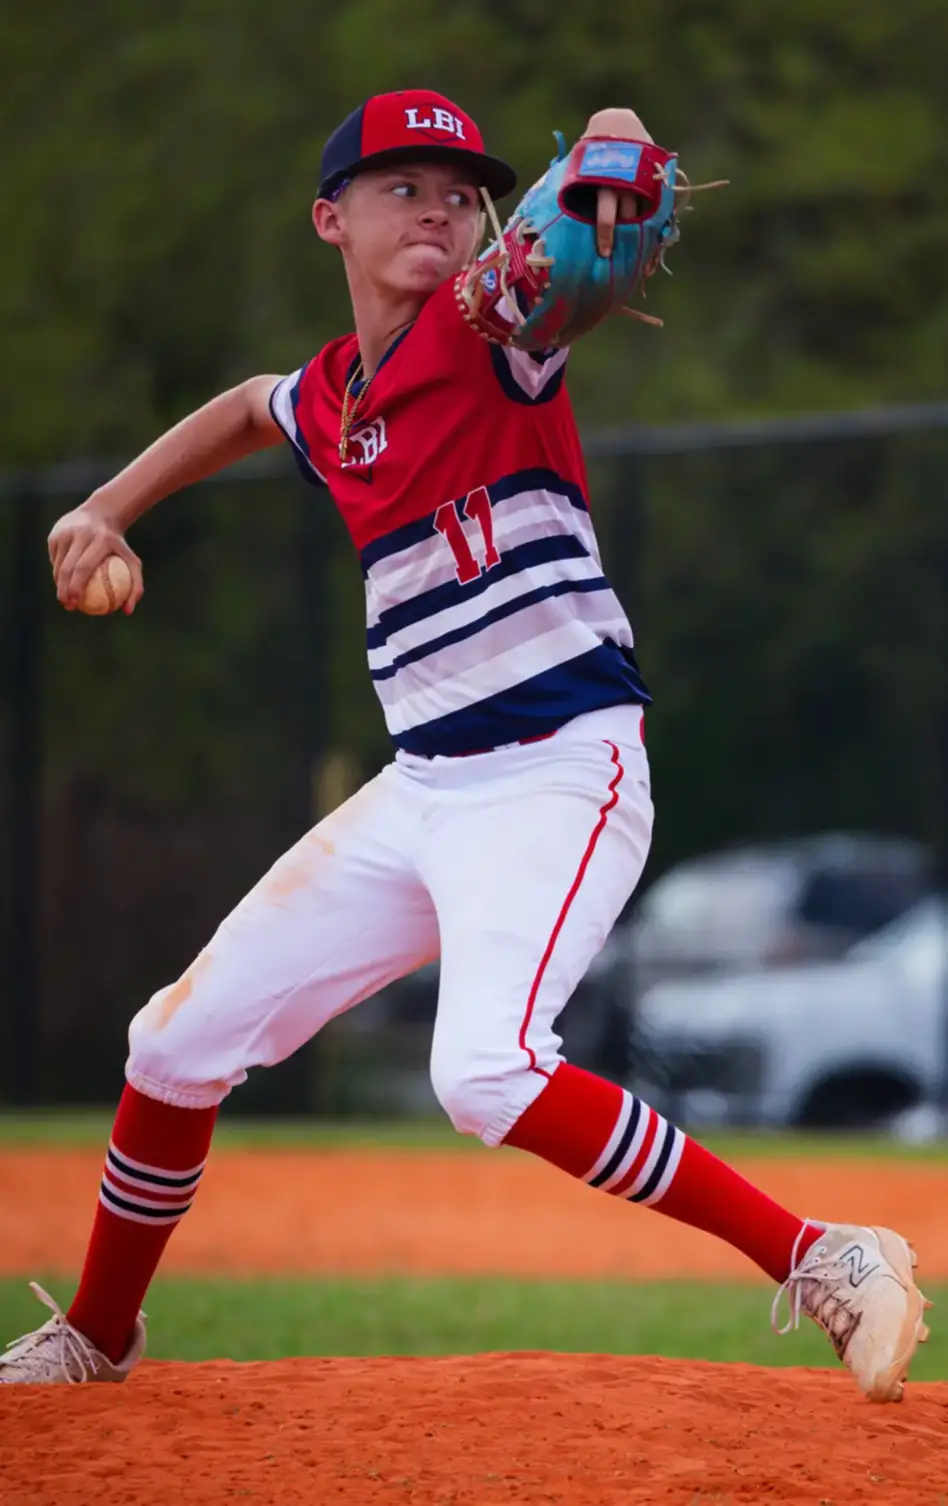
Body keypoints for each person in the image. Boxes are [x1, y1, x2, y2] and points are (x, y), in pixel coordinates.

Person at [1, 89, 929, 1398]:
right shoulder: (336, 397)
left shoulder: (493, 324)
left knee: (485, 1070)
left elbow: (604, 180)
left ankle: (825, 1255)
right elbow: (252, 406)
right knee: (170, 1046)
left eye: (461, 193)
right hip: (425, 785)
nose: (440, 208)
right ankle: (98, 1334)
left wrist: (613, 148)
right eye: (403, 186)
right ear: (330, 218)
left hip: (560, 769)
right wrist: (104, 506)